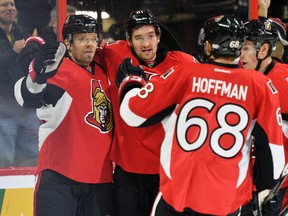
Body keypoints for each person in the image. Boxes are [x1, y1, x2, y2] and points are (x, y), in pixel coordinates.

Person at [116, 14, 285, 215]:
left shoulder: (185, 72)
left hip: (178, 196)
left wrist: (131, 81)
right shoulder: (261, 86)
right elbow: (273, 155)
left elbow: (133, 113)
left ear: (207, 46)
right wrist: (266, 189)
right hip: (227, 201)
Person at [96, 9, 198, 216]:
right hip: (127, 170)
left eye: (151, 36)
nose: (146, 44)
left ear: (159, 37)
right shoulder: (115, 53)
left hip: (166, 171)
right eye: (139, 38)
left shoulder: (185, 63)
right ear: (129, 40)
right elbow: (82, 52)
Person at [14, 14, 115, 215]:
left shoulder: (106, 70)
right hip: (59, 176)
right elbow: (26, 97)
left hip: (99, 180)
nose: (89, 44)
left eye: (93, 38)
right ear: (68, 43)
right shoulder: (58, 68)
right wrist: (36, 74)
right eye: (81, 39)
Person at [240, 18, 288, 216]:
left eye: (246, 48)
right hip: (239, 181)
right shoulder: (234, 76)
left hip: (275, 184)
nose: (240, 55)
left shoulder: (285, 79)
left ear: (264, 50)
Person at [0, 0, 40, 167]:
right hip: (3, 113)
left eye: (12, 5)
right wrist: (12, 52)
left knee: (32, 161)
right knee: (4, 163)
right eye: (4, 5)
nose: (10, 8)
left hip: (28, 110)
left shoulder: (25, 33)